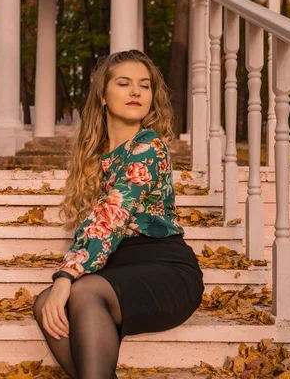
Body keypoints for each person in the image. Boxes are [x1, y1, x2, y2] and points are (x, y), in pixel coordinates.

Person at [32, 49, 205, 379]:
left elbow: (111, 216)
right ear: (103, 95)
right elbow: (94, 230)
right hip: (119, 270)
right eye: (124, 83)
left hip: (165, 268)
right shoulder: (95, 159)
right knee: (44, 305)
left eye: (145, 85)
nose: (136, 92)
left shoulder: (148, 147)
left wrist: (66, 277)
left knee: (81, 292)